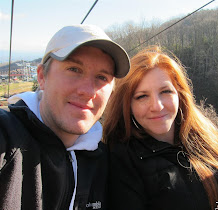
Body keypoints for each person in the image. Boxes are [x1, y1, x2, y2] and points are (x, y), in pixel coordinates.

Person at [103, 46, 218, 210]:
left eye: (165, 92)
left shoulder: (200, 131)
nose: (156, 106)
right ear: (127, 105)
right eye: (142, 96)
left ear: (179, 94)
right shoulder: (123, 159)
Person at [0, 24, 130, 209]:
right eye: (74, 69)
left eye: (102, 77)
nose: (87, 91)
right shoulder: (7, 138)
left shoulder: (106, 162)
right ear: (42, 77)